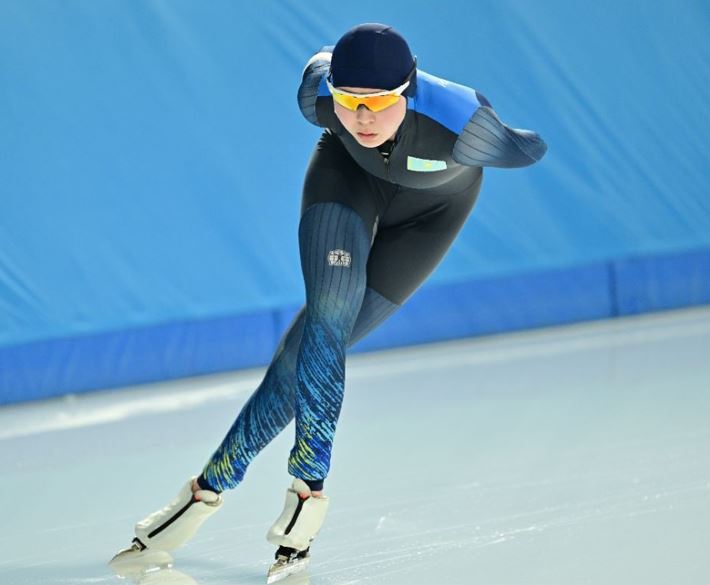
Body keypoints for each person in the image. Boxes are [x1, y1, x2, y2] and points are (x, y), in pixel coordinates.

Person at [110, 22, 546, 582]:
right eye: (349, 102)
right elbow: (322, 63)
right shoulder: (317, 95)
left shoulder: (464, 124)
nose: (362, 118)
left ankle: (203, 494)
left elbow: (530, 146)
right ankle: (307, 494)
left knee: (306, 353)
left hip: (431, 217)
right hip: (346, 183)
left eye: (379, 103)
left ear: (408, 91)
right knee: (326, 322)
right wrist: (338, 86)